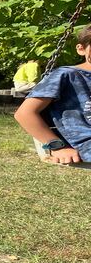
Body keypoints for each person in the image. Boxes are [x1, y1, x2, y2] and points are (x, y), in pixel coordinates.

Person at [14, 26, 91, 164]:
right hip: (86, 144)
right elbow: (24, 113)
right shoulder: (66, 75)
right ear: (81, 49)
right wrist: (57, 147)